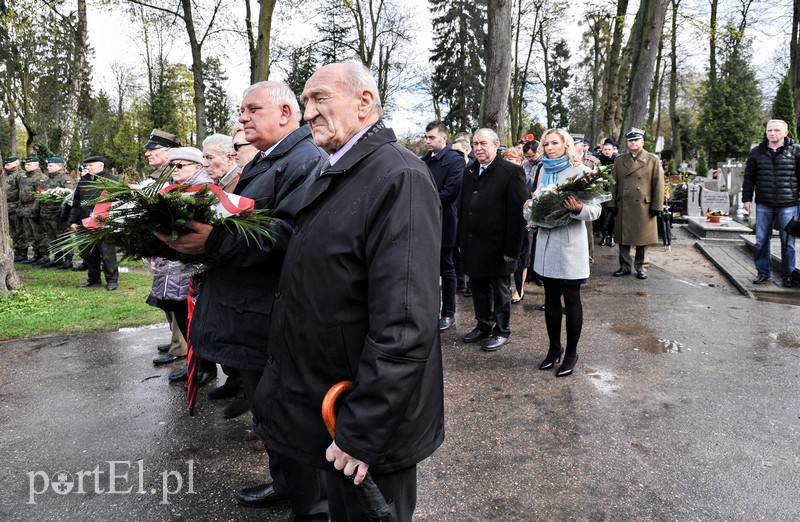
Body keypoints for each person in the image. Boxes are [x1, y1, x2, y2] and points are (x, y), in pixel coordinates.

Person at [251, 62, 444, 522]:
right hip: (333, 411)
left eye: (320, 98)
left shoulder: (400, 177)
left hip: (365, 427)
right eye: (304, 102)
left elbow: (404, 322)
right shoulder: (338, 168)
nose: (309, 111)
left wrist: (362, 430)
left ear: (365, 102)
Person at [157, 81, 329, 517]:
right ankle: (286, 485)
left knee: (286, 417)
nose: (243, 119)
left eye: (253, 110)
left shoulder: (303, 161)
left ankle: (309, 505)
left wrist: (212, 242)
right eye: (242, 111)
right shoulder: (273, 159)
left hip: (269, 314)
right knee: (268, 415)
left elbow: (286, 237)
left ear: (286, 113)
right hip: (250, 312)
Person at [532, 129, 602, 377]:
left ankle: (572, 351)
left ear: (566, 144)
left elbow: (595, 211)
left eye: (554, 143)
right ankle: (554, 348)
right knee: (550, 299)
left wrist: (579, 207)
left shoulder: (581, 171)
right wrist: (531, 212)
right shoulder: (542, 170)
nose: (549, 148)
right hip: (546, 244)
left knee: (571, 298)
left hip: (570, 244)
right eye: (546, 144)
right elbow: (534, 202)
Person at [459, 128, 528, 351]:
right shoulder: (469, 171)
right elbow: (463, 208)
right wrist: (462, 241)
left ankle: (501, 330)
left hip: (499, 245)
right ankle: (483, 325)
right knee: (478, 286)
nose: (479, 148)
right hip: (474, 241)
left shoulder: (511, 172)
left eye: (484, 143)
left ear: (496, 145)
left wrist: (512, 249)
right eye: (476, 143)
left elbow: (518, 215)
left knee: (500, 290)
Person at [148, 147, 213, 380]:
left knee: (192, 316)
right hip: (171, 265)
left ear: (197, 166)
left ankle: (203, 367)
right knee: (180, 312)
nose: (174, 170)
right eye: (172, 166)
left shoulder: (203, 190)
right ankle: (195, 364)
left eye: (180, 165)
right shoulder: (174, 188)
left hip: (189, 267)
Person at [742, 119, 800, 287]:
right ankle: (763, 272)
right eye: (769, 130)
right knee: (761, 240)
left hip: (788, 203)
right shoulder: (756, 152)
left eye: (776, 130)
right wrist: (746, 198)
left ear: (785, 133)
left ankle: (787, 275)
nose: (772, 133)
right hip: (764, 203)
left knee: (788, 242)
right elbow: (749, 177)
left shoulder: (796, 151)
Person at [422, 120, 464, 332]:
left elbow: (450, 192)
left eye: (432, 137)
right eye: (426, 137)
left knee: (446, 269)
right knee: (427, 269)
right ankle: (429, 310)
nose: (428, 141)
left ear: (444, 138)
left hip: (444, 221)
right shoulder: (424, 160)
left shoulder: (455, 161)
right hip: (425, 221)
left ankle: (448, 312)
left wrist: (423, 203)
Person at [607, 128, 664, 280]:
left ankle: (641, 267)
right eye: (630, 141)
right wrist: (611, 203)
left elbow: (658, 184)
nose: (633, 143)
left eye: (636, 140)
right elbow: (613, 183)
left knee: (642, 238)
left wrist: (657, 206)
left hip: (644, 206)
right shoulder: (619, 160)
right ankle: (624, 266)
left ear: (642, 142)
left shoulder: (652, 160)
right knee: (623, 238)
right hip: (623, 205)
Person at [69, 156, 119, 290]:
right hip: (84, 223)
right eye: (87, 166)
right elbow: (76, 203)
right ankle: (93, 278)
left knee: (107, 252)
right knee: (89, 253)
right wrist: (73, 221)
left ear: (100, 166)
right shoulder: (83, 181)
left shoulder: (112, 181)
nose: (88, 168)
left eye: (91, 165)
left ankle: (112, 280)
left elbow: (119, 202)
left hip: (104, 223)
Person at [37, 157, 74, 268]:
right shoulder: (48, 179)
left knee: (63, 236)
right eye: (48, 165)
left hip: (59, 214)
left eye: (50, 165)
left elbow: (69, 196)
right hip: (47, 214)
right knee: (52, 237)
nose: (48, 167)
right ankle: (58, 258)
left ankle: (68, 259)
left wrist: (64, 214)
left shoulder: (65, 179)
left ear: (60, 166)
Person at [18, 156, 47, 264]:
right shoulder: (24, 177)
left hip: (35, 209)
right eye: (25, 164)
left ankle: (44, 254)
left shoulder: (40, 178)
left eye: (29, 164)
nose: (26, 166)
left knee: (39, 233)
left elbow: (40, 196)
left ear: (36, 165)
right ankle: (36, 254)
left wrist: (35, 209)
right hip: (24, 208)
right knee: (29, 233)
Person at [4, 156, 26, 261]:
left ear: (16, 163)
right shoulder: (6, 175)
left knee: (20, 231)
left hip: (17, 207)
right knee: (12, 232)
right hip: (7, 208)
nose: (5, 167)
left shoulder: (20, 175)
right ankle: (17, 249)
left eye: (8, 164)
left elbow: (22, 192)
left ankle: (23, 251)